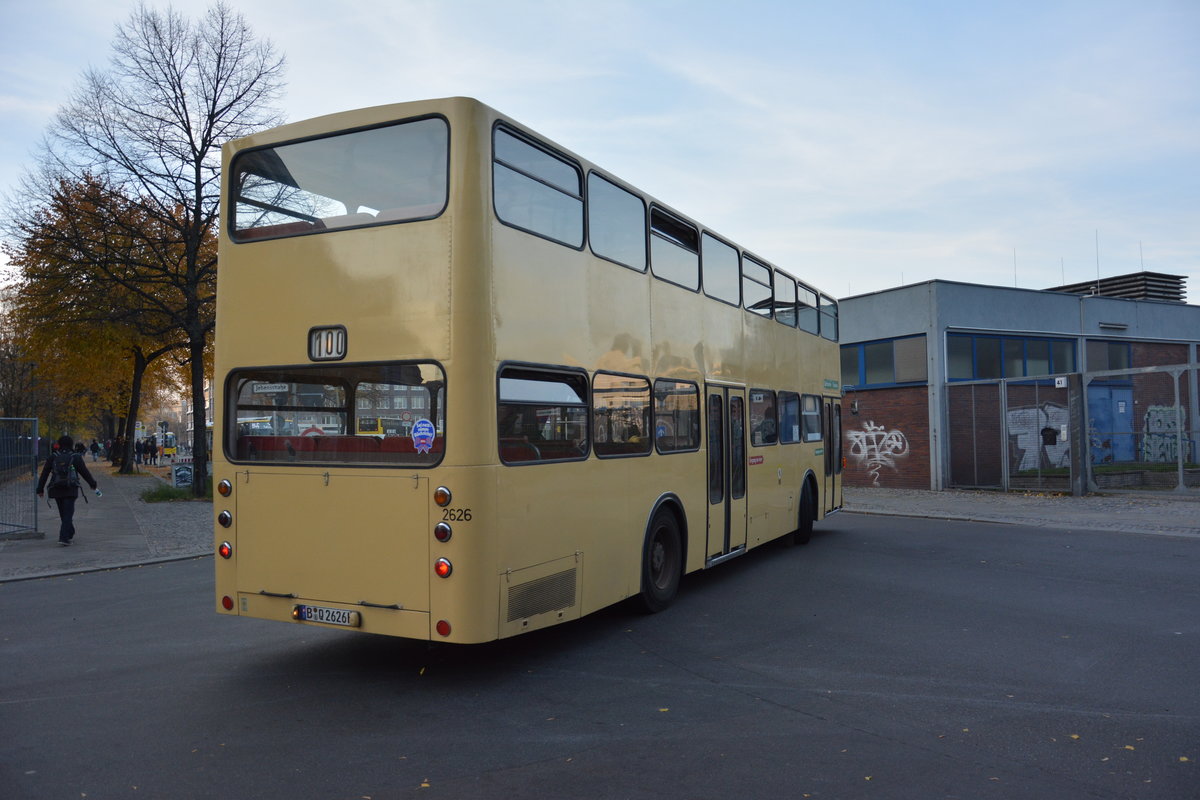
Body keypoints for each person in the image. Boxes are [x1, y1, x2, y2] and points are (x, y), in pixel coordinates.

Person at [36, 435, 100, 546]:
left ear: (59, 444)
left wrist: (40, 488)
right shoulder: (75, 457)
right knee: (68, 513)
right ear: (71, 444)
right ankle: (64, 537)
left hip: (56, 488)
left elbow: (45, 473)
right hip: (71, 488)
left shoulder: (53, 457)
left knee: (63, 513)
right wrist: (92, 483)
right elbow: (84, 472)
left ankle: (70, 532)